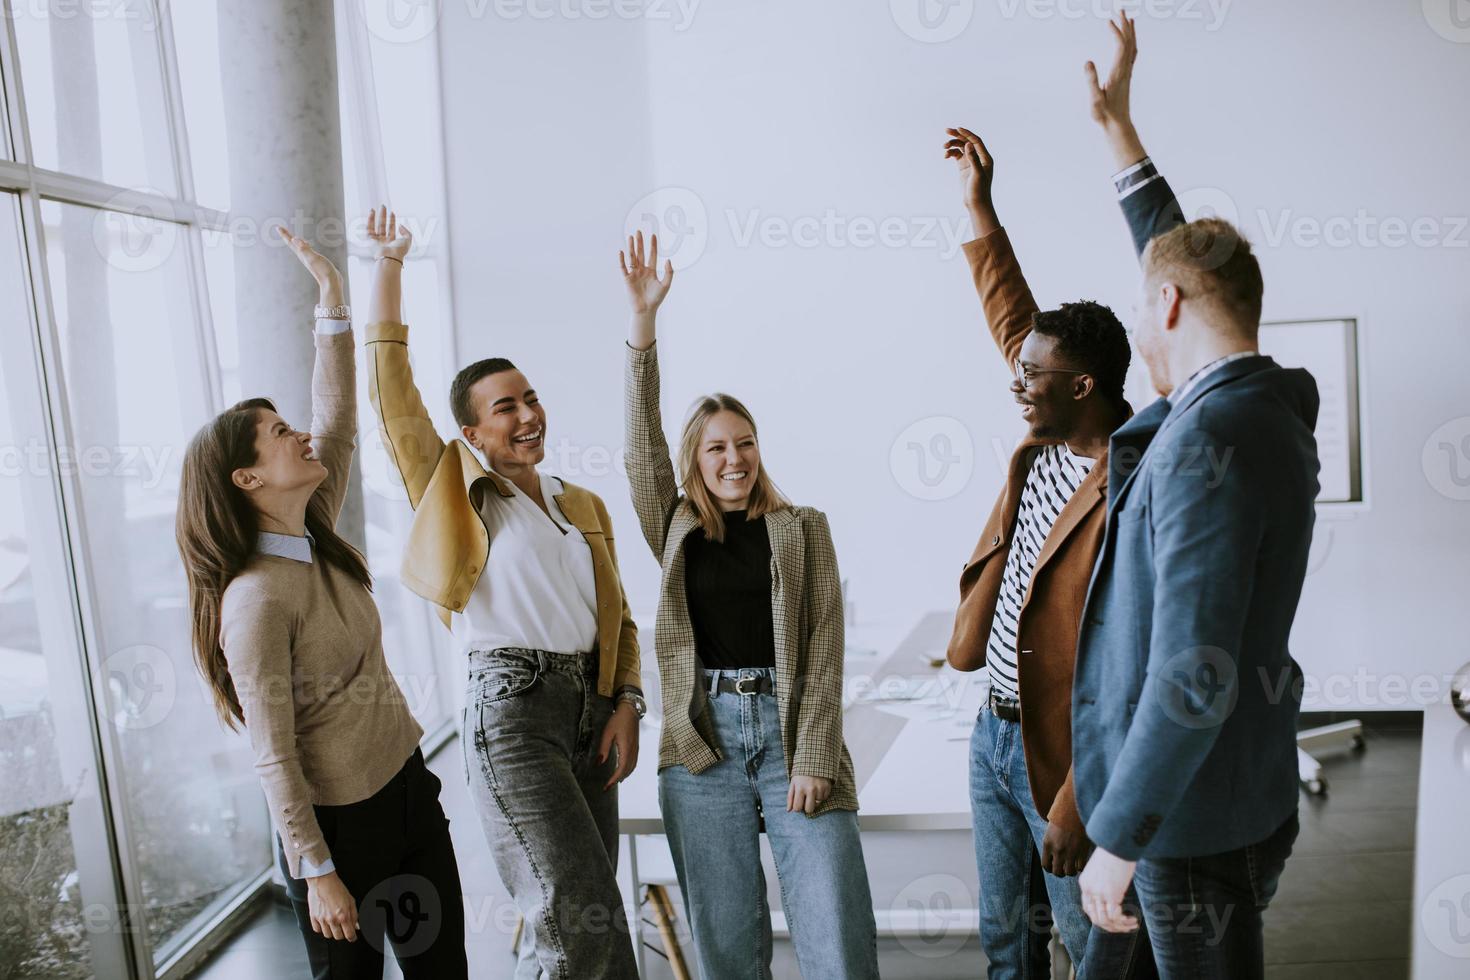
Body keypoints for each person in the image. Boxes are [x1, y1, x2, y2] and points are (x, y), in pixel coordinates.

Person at [1072, 21, 1320, 980]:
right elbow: (1185, 261)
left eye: (1146, 303)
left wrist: (1121, 836)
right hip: (1230, 793)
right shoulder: (1269, 405)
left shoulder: (1204, 442)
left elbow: (1194, 672)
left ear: (1168, 306)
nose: (1139, 323)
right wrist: (1118, 134)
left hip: (1181, 817)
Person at [177, 226, 467, 978]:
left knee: (446, 971)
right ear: (246, 480)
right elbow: (273, 754)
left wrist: (332, 303)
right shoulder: (254, 602)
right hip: (340, 831)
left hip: (407, 792)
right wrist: (318, 871)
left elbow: (336, 420)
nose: (299, 435)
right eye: (278, 435)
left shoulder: (313, 531)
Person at [361, 208, 644, 978]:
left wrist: (627, 703)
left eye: (531, 398)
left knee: (593, 913)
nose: (528, 415)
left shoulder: (581, 503)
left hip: (590, 711)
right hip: (512, 713)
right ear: (474, 435)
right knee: (573, 917)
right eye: (505, 407)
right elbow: (394, 404)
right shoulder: (455, 493)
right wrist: (389, 267)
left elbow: (619, 620)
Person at [940, 20, 1155, 980]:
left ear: (1084, 387)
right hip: (994, 728)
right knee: (1007, 943)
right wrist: (981, 205)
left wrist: (1073, 803)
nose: (1015, 377)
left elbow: (1139, 665)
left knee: (1090, 940)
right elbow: (1011, 313)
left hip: (1068, 754)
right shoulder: (1047, 423)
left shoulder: (1137, 479)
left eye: (1035, 372)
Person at [619, 229, 879, 979]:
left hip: (793, 730)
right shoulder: (674, 527)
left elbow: (825, 646)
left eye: (746, 443)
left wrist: (814, 755)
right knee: (729, 947)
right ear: (694, 461)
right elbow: (639, 447)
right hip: (705, 745)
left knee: (839, 938)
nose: (734, 459)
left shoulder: (801, 530)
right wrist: (644, 328)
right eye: (716, 448)